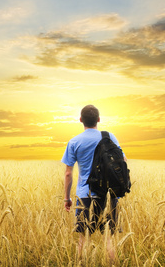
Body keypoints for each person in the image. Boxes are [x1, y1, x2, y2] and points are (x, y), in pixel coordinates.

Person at [62, 104, 126, 261]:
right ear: (98, 119)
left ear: (80, 120)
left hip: (85, 195)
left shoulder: (74, 141)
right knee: (108, 239)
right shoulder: (109, 137)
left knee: (83, 238)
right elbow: (123, 160)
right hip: (109, 194)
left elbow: (68, 173)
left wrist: (67, 198)